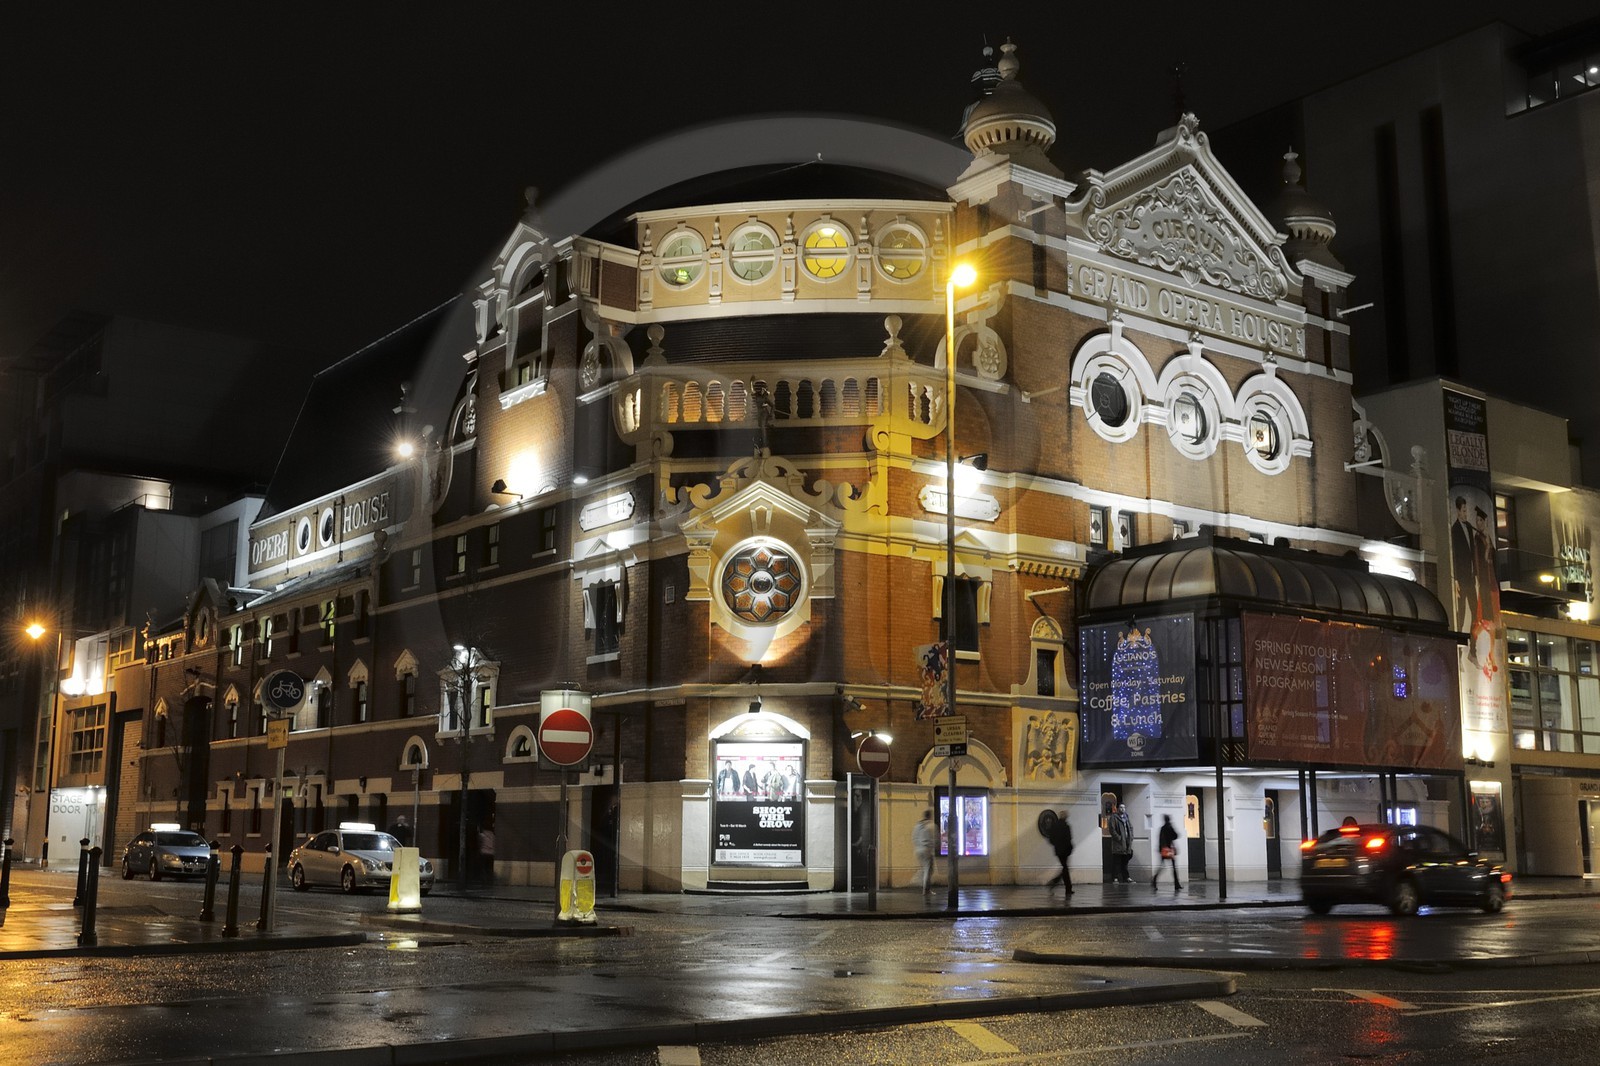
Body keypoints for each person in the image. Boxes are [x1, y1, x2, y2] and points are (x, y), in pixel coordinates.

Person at [1046, 810, 1073, 893]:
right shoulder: (1066, 826)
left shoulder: (1054, 826)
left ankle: (1066, 887)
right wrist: (1069, 848)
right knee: (1065, 868)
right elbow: (1069, 839)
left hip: (1058, 850)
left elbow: (1051, 839)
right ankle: (1065, 886)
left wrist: (1056, 845)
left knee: (1065, 868)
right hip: (1065, 851)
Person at [912, 808, 937, 895]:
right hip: (927, 850)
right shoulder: (931, 826)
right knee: (928, 870)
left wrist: (918, 846)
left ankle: (923, 885)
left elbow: (914, 838)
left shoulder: (917, 826)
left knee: (924, 869)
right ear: (930, 816)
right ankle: (926, 890)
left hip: (918, 850)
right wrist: (933, 847)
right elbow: (935, 839)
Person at [1153, 814, 1181, 889]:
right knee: (1173, 867)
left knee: (1163, 866)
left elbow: (1161, 839)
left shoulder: (1162, 828)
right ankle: (1176, 884)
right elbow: (1176, 835)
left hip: (1164, 849)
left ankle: (1155, 879)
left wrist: (1161, 849)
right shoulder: (1169, 827)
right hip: (1168, 850)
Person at [1108, 803, 1134, 883]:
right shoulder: (1114, 817)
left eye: (1124, 807)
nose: (1123, 809)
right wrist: (1119, 838)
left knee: (1125, 862)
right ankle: (1115, 877)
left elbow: (1130, 828)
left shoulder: (1126, 817)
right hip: (1118, 843)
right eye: (1121, 807)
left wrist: (1131, 837)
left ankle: (1126, 877)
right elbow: (1112, 829)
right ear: (1117, 808)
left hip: (1126, 843)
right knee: (1117, 861)